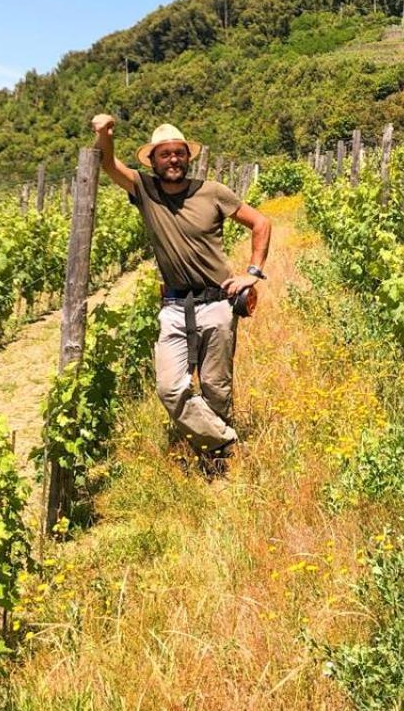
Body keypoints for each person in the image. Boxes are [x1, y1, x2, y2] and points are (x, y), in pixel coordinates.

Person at [91, 115, 272, 460]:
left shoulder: (213, 192)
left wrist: (253, 272)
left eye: (179, 153)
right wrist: (104, 135)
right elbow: (110, 166)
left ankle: (216, 460)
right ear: (153, 160)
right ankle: (226, 441)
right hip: (174, 307)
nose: (173, 159)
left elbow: (261, 222)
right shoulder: (146, 191)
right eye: (165, 154)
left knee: (216, 387)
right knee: (171, 388)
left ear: (188, 157)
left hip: (219, 302)